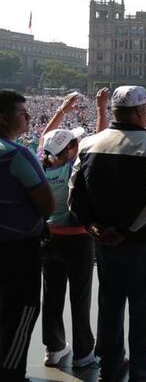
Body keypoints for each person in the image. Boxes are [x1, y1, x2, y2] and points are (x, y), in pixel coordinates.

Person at [69, 85, 146, 381]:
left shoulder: (90, 143)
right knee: (145, 307)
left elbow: (75, 191)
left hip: (104, 241)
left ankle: (111, 365)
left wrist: (89, 224)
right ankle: (142, 367)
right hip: (143, 242)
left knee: (110, 303)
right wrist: (127, 231)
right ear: (140, 111)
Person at [39, 90, 109, 369]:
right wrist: (102, 110)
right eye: (75, 142)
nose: (79, 143)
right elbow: (101, 141)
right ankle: (83, 353)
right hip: (77, 240)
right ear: (70, 150)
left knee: (52, 296)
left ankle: (53, 348)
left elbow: (46, 138)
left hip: (48, 237)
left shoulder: (39, 164)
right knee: (80, 298)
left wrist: (61, 111)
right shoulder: (75, 168)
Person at [0, 90, 55, 382]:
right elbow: (47, 204)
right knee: (22, 311)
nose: (28, 117)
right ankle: (12, 373)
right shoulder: (16, 154)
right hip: (19, 248)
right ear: (3, 117)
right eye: (23, 113)